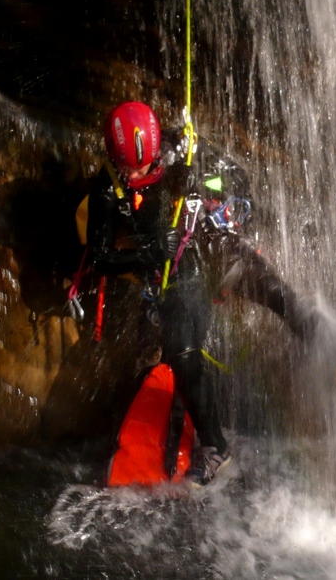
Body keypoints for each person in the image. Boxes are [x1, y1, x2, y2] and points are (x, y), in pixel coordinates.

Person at [84, 101, 316, 487]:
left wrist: (208, 188)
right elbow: (99, 258)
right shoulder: (108, 188)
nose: (135, 174)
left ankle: (323, 339)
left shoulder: (184, 150)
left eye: (143, 167)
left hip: (212, 245)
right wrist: (148, 254)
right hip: (174, 273)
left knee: (270, 288)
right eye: (129, 168)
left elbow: (238, 182)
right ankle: (215, 447)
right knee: (182, 351)